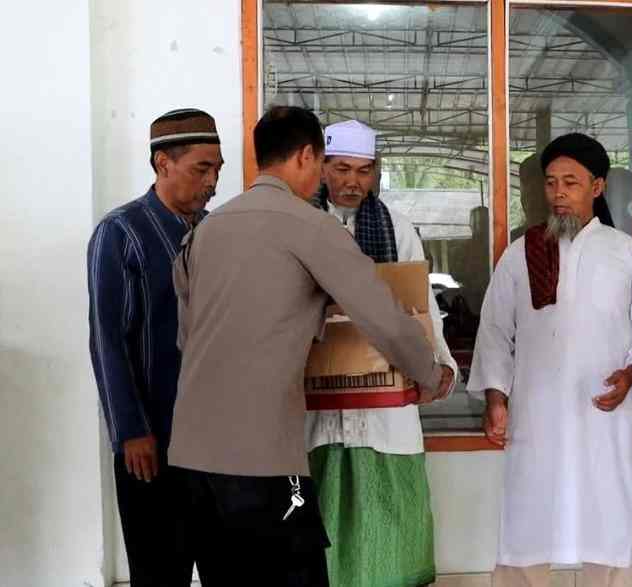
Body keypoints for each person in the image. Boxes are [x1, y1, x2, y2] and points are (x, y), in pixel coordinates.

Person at [167, 106, 453, 586]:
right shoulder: (309, 225)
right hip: (262, 458)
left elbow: (186, 337)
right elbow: (381, 314)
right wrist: (430, 374)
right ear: (306, 157)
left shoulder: (203, 232)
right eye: (326, 165)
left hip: (192, 459)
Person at [468, 132, 632, 586]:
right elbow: (496, 331)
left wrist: (630, 374)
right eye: (550, 183)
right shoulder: (522, 253)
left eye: (571, 183)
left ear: (597, 188)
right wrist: (495, 398)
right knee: (525, 523)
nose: (558, 194)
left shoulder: (628, 255)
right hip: (536, 417)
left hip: (605, 415)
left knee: (609, 521)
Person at [307, 119, 458, 587]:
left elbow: (420, 306)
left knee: (391, 547)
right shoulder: (301, 223)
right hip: (316, 413)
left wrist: (442, 367)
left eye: (365, 170)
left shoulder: (397, 227)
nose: (353, 181)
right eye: (342, 168)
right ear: (320, 168)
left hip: (385, 411)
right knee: (318, 546)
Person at [87, 108, 223, 586]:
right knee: (159, 570)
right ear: (163, 163)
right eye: (201, 169)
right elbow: (108, 337)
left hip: (217, 442)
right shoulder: (122, 233)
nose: (212, 183)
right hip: (152, 441)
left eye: (218, 170)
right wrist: (130, 430)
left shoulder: (216, 233)